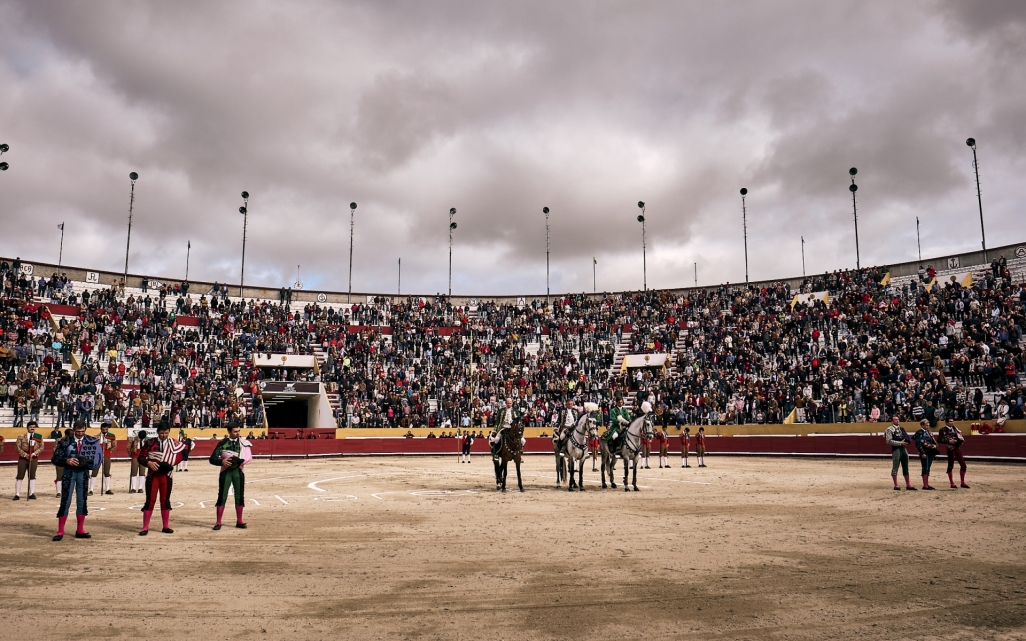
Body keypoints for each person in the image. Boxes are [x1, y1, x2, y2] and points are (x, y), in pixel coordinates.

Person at [51, 421, 102, 541]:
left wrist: (90, 464)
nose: (80, 434)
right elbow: (55, 458)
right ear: (74, 430)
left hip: (83, 473)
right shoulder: (65, 441)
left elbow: (97, 456)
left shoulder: (91, 441)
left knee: (82, 500)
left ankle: (80, 529)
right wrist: (66, 461)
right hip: (69, 473)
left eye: (82, 431)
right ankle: (60, 531)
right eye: (78, 431)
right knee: (65, 500)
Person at [137, 421, 186, 535]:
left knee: (165, 500)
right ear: (158, 432)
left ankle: (165, 526)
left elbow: (180, 455)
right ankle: (145, 527)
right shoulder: (150, 442)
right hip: (153, 474)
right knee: (150, 500)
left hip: (166, 476)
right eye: (162, 433)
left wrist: (171, 464)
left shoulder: (173, 443)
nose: (164, 435)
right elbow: (141, 458)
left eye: (166, 433)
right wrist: (148, 463)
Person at [209, 425, 253, 530]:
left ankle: (239, 521)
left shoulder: (243, 443)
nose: (238, 433)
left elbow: (249, 459)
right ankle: (218, 522)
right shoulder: (222, 443)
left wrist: (240, 461)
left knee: (239, 496)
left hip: (238, 471)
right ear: (229, 431)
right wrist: (221, 461)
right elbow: (212, 459)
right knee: (222, 496)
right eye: (235, 431)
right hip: (226, 471)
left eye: (239, 431)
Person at [14, 421, 44, 500]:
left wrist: (33, 454)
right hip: (23, 458)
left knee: (32, 475)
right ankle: (17, 494)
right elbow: (17, 448)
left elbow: (41, 447)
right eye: (31, 427)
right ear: (27, 427)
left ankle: (31, 493)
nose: (32, 428)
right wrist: (25, 455)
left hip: (33, 458)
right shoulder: (21, 436)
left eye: (34, 427)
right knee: (20, 475)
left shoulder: (38, 436)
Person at [884, 416, 916, 491]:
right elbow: (889, 441)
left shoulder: (901, 429)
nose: (897, 421)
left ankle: (908, 484)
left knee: (906, 466)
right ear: (892, 421)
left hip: (903, 449)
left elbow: (907, 438)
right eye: (895, 419)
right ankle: (896, 485)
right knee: (895, 466)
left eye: (898, 419)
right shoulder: (889, 429)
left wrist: (906, 442)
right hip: (896, 449)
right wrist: (900, 443)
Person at [937, 418, 969, 489]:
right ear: (946, 422)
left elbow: (960, 439)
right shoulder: (943, 430)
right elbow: (939, 439)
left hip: (957, 448)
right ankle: (952, 483)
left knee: (963, 465)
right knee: (950, 466)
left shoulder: (956, 429)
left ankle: (963, 483)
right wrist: (949, 441)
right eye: (950, 421)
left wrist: (958, 441)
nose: (952, 423)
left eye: (953, 421)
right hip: (950, 449)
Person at [489, 398, 524, 462]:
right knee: (496, 439)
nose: (509, 404)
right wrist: (495, 429)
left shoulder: (515, 411)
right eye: (508, 403)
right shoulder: (501, 410)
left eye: (510, 403)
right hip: (503, 428)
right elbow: (497, 421)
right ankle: (496, 454)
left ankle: (519, 455)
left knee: (523, 440)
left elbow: (518, 421)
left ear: (512, 403)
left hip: (513, 429)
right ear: (505, 403)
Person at [90, 424, 116, 495]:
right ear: (101, 429)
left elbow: (114, 446)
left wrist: (109, 452)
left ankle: (107, 489)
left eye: (106, 430)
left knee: (107, 473)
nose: (104, 431)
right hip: (97, 457)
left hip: (106, 456)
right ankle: (91, 490)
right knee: (94, 472)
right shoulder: (96, 437)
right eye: (103, 430)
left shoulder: (111, 436)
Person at [913, 419, 939, 490]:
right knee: (925, 467)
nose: (928, 426)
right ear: (922, 425)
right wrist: (922, 452)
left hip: (930, 452)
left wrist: (934, 445)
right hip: (924, 452)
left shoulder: (929, 432)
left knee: (928, 468)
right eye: (926, 425)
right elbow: (918, 444)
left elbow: (933, 441)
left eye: (928, 425)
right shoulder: (919, 432)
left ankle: (927, 484)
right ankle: (925, 485)